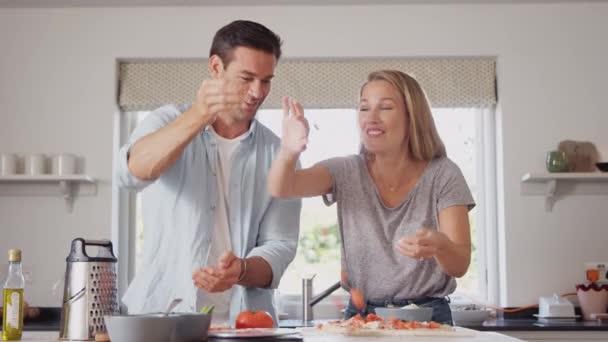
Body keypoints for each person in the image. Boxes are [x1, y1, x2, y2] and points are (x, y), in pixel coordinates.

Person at [115, 20, 301, 324]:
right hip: (161, 317)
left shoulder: (278, 153)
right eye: (247, 77)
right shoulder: (166, 121)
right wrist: (199, 115)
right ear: (216, 67)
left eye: (266, 80)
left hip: (244, 323)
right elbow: (131, 172)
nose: (257, 92)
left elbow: (280, 245)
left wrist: (240, 270)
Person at [268, 70, 475, 325]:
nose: (371, 118)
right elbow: (282, 187)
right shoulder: (345, 171)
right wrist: (288, 151)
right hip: (362, 317)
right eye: (364, 108)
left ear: (413, 117)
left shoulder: (443, 174)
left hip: (426, 317)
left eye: (385, 107)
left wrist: (441, 245)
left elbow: (460, 264)